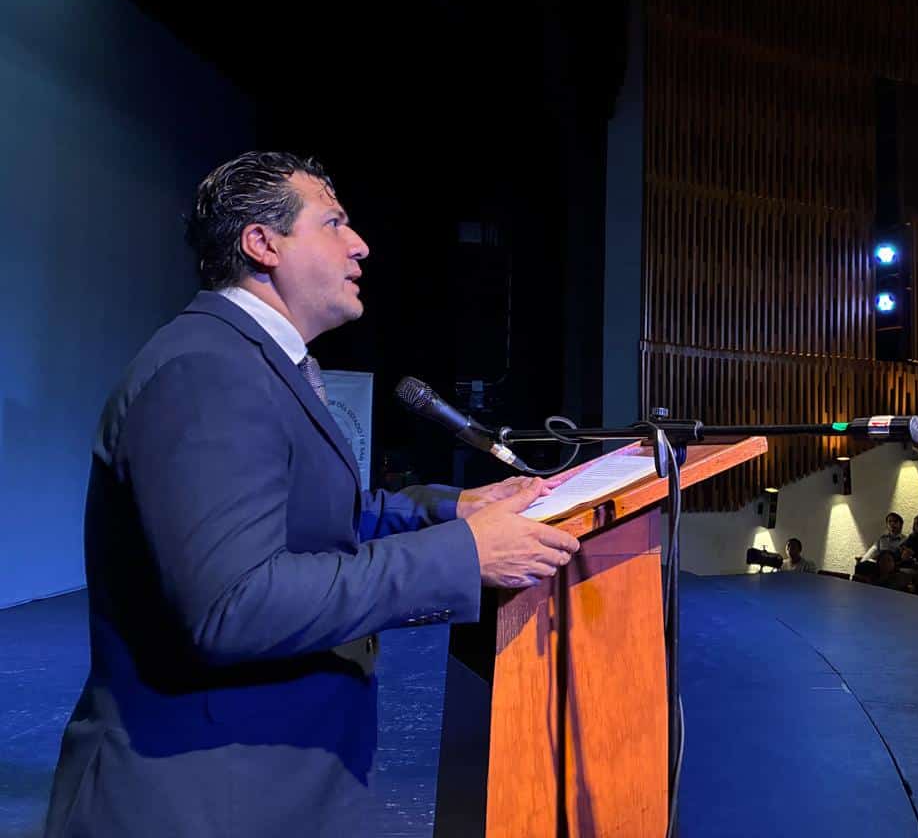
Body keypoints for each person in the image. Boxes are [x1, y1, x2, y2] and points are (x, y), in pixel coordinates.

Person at [43, 153, 583, 837]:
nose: (360, 245)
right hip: (203, 796)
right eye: (333, 223)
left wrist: (455, 509)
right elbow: (235, 604)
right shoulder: (209, 370)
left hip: (263, 781)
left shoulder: (254, 360)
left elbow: (311, 518)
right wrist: (463, 555)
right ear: (262, 243)